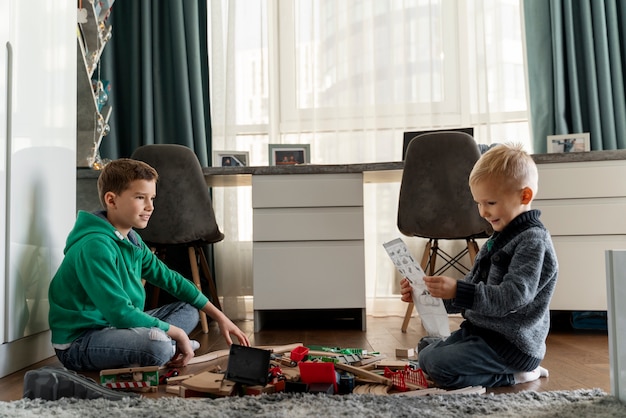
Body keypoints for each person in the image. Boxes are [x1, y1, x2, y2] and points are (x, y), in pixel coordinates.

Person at [48, 158, 250, 372]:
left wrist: (220, 316)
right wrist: (178, 333)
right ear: (112, 200)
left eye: (152, 198)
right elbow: (120, 314)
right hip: (80, 342)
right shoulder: (95, 246)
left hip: (117, 326)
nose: (150, 206)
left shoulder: (131, 240)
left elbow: (172, 280)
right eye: (140, 197)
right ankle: (163, 346)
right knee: (157, 347)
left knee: (189, 309)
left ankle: (155, 346)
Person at [401, 143, 558, 388]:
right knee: (426, 348)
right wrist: (427, 294)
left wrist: (459, 290)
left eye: (491, 203)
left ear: (524, 196)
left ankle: (517, 374)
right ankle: (434, 357)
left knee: (436, 363)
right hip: (482, 332)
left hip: (510, 345)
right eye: (478, 203)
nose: (483, 212)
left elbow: (513, 297)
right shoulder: (496, 239)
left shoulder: (532, 241)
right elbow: (471, 291)